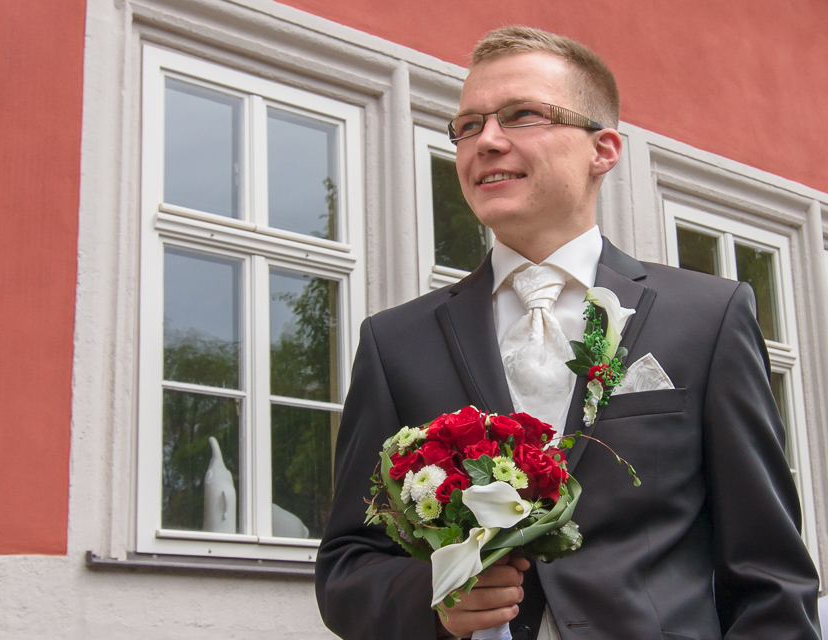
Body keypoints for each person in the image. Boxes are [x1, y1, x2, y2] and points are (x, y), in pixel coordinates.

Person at [315, 25, 822, 640]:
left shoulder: (708, 317)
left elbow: (770, 572)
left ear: (603, 149)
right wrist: (434, 595)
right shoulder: (395, 343)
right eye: (468, 126)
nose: (487, 141)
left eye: (522, 115)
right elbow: (347, 565)